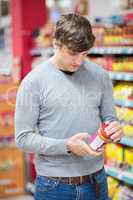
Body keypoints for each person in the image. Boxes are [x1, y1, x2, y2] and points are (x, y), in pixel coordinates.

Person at [15, 13, 123, 200]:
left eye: (85, 53)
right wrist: (66, 146)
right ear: (56, 43)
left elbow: (109, 119)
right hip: (54, 186)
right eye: (73, 53)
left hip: (97, 181)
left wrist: (114, 129)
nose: (79, 61)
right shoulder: (34, 82)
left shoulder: (100, 76)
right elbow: (23, 138)